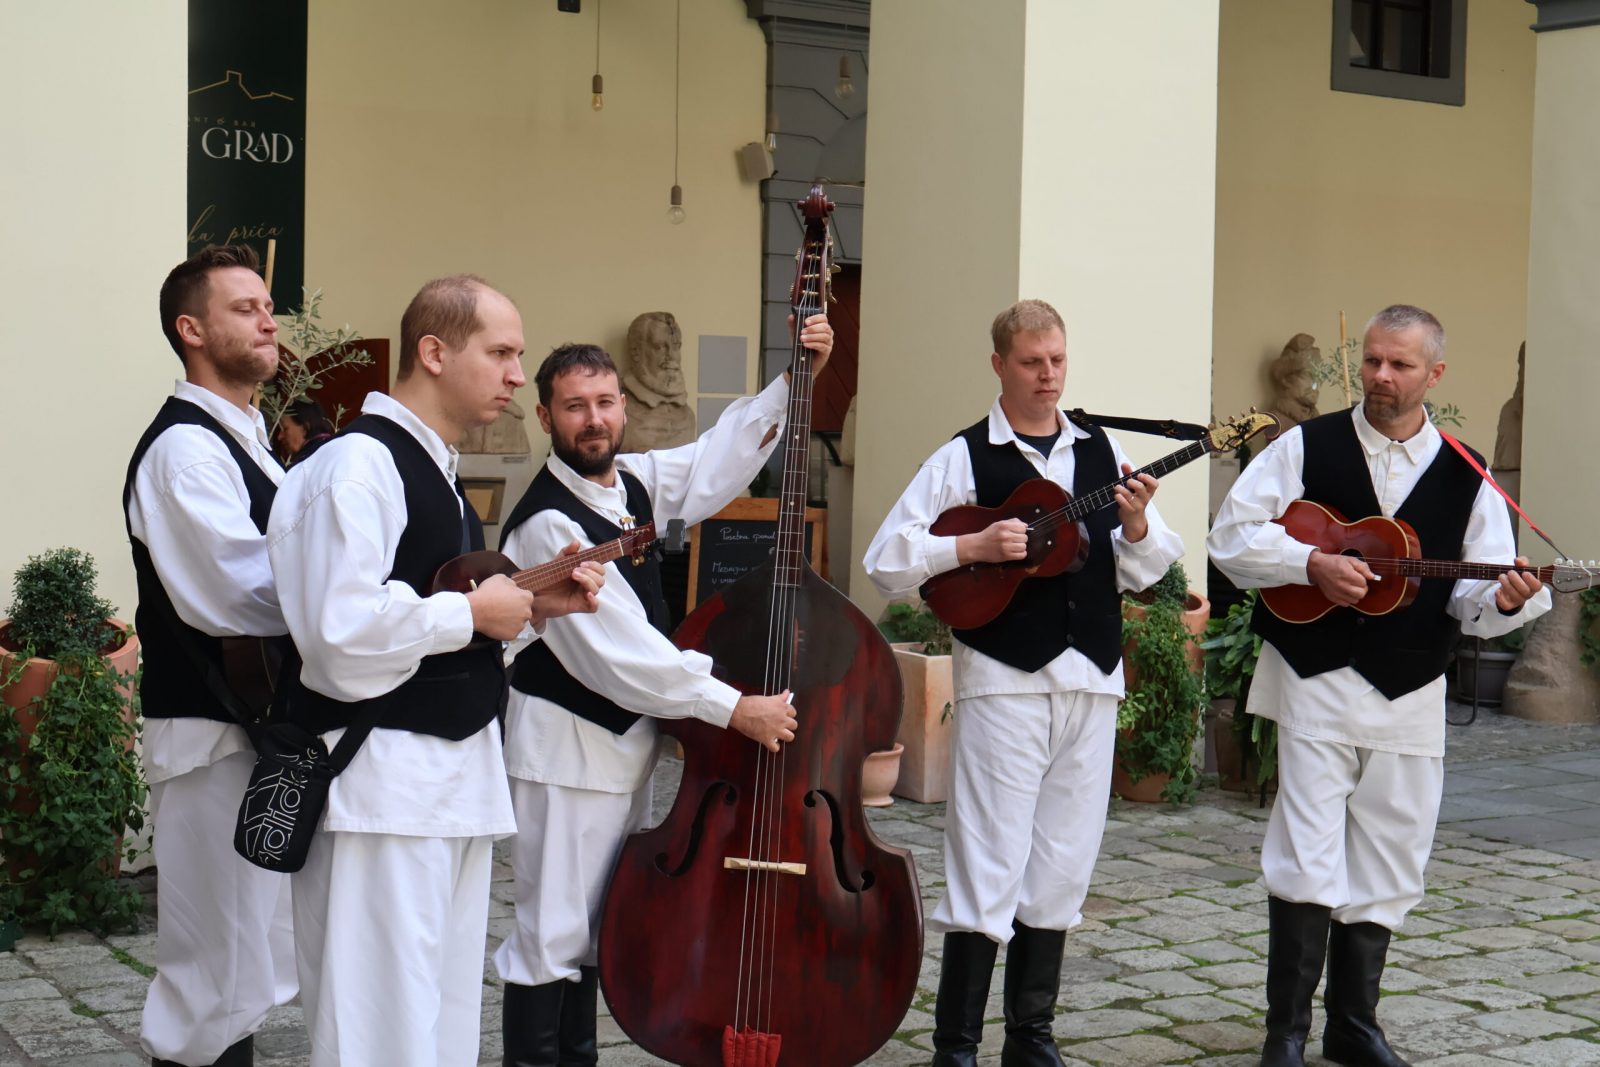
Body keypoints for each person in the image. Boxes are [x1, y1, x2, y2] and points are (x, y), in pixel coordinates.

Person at [265, 275, 606, 1067]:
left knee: (441, 1035)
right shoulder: (358, 466)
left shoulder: (435, 471)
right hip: (378, 789)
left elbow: (433, 627)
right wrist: (470, 613)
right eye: (501, 352)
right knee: (378, 1038)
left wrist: (529, 610)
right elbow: (337, 632)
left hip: (445, 789)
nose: (517, 375)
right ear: (433, 351)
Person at [1207, 304, 1550, 1067]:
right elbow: (1229, 537)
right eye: (1371, 360)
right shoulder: (1306, 443)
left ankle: (1353, 1024)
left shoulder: (1468, 471)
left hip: (1409, 685)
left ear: (1436, 373)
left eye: (1399, 364)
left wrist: (1504, 601)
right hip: (1314, 677)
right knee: (1305, 849)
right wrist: (1309, 564)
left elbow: (1474, 595)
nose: (1381, 376)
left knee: (1394, 850)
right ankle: (1285, 1033)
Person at [492, 313, 833, 1066]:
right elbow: (623, 655)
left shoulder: (634, 483)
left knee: (592, 933)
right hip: (564, 756)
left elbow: (716, 458)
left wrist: (795, 379)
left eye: (604, 402)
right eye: (575, 406)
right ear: (545, 417)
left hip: (621, 754)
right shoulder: (548, 523)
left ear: (623, 406)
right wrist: (732, 707)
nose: (594, 419)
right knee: (550, 937)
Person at [864, 299, 1183, 1067]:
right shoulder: (964, 456)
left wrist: (1139, 524)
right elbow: (886, 559)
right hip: (1004, 679)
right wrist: (971, 545)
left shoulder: (1100, 450)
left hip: (1091, 679)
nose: (1048, 375)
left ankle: (1031, 1037)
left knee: (1065, 859)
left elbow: (1147, 567)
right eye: (1033, 361)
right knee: (988, 854)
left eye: (1058, 360)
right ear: (999, 364)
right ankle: (957, 1045)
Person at [124, 243, 297, 1067]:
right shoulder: (184, 449)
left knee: (247, 962)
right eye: (244, 308)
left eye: (268, 306)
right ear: (190, 330)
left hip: (247, 734)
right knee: (211, 975)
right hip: (209, 738)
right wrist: (358, 604)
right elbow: (237, 590)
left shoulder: (247, 439)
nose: (268, 321)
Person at [619, 310, 695, 451]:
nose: (671, 356)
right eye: (659, 347)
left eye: (676, 347)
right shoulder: (620, 411)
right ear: (636, 352)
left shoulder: (688, 415)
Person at [277, 397, 334, 467]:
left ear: (305, 427)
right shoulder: (331, 450)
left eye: (285, 429)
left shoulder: (309, 462)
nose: (279, 437)